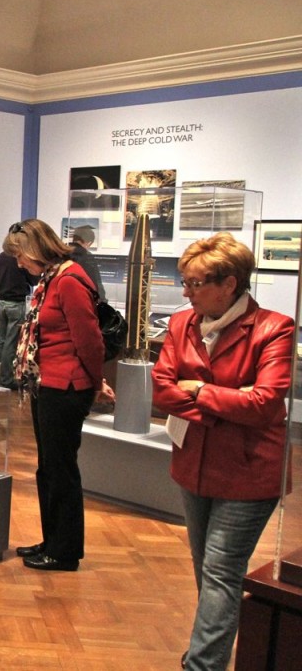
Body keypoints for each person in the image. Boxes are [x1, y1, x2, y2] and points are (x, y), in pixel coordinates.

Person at [152, 232, 292, 670]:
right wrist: (224, 399)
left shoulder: (275, 328)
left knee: (220, 569)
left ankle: (203, 663)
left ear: (229, 284)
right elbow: (162, 390)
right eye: (185, 283)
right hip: (193, 463)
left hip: (248, 471)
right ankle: (208, 649)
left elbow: (264, 403)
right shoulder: (182, 324)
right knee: (207, 566)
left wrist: (200, 392)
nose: (186, 293)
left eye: (195, 284)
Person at [5, 219, 113, 572]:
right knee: (48, 467)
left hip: (66, 387)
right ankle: (51, 540)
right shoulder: (52, 279)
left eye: (21, 256)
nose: (19, 264)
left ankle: (64, 551)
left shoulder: (68, 281)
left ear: (36, 250)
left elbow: (89, 341)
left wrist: (96, 383)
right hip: (47, 383)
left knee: (60, 469)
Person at [0, 246, 36, 389]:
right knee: (10, 343)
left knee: (0, 340)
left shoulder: (2, 255)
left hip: (2, 302)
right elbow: (33, 280)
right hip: (16, 303)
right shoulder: (22, 257)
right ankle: (6, 379)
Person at [68, 225, 106, 302]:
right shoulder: (88, 258)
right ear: (89, 243)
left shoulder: (61, 254)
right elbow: (97, 285)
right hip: (81, 301)